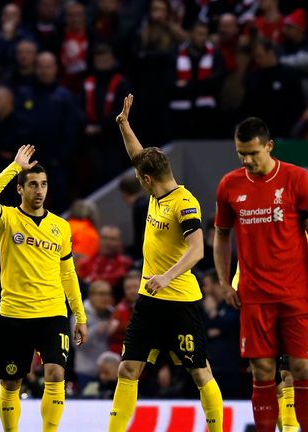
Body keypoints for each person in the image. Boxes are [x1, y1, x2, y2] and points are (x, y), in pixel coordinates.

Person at [108, 94, 223, 432]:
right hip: (150, 301)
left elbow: (198, 250)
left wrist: (166, 276)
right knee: (128, 369)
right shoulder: (157, 190)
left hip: (180, 301)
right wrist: (124, 125)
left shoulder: (184, 203)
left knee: (199, 371)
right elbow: (137, 157)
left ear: (146, 180)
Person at [214, 117, 308, 432]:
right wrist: (226, 283)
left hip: (296, 293)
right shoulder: (229, 185)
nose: (248, 160)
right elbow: (221, 235)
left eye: (253, 153)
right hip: (254, 296)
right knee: (262, 371)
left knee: (302, 368)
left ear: (269, 146)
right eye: (242, 154)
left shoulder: (297, 179)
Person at [0, 145, 88, 432]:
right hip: (14, 315)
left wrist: (80, 315)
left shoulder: (61, 227)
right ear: (20, 189)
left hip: (52, 313)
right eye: (33, 185)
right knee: (10, 381)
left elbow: (68, 273)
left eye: (43, 184)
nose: (39, 191)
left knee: (55, 374)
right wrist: (15, 167)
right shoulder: (7, 221)